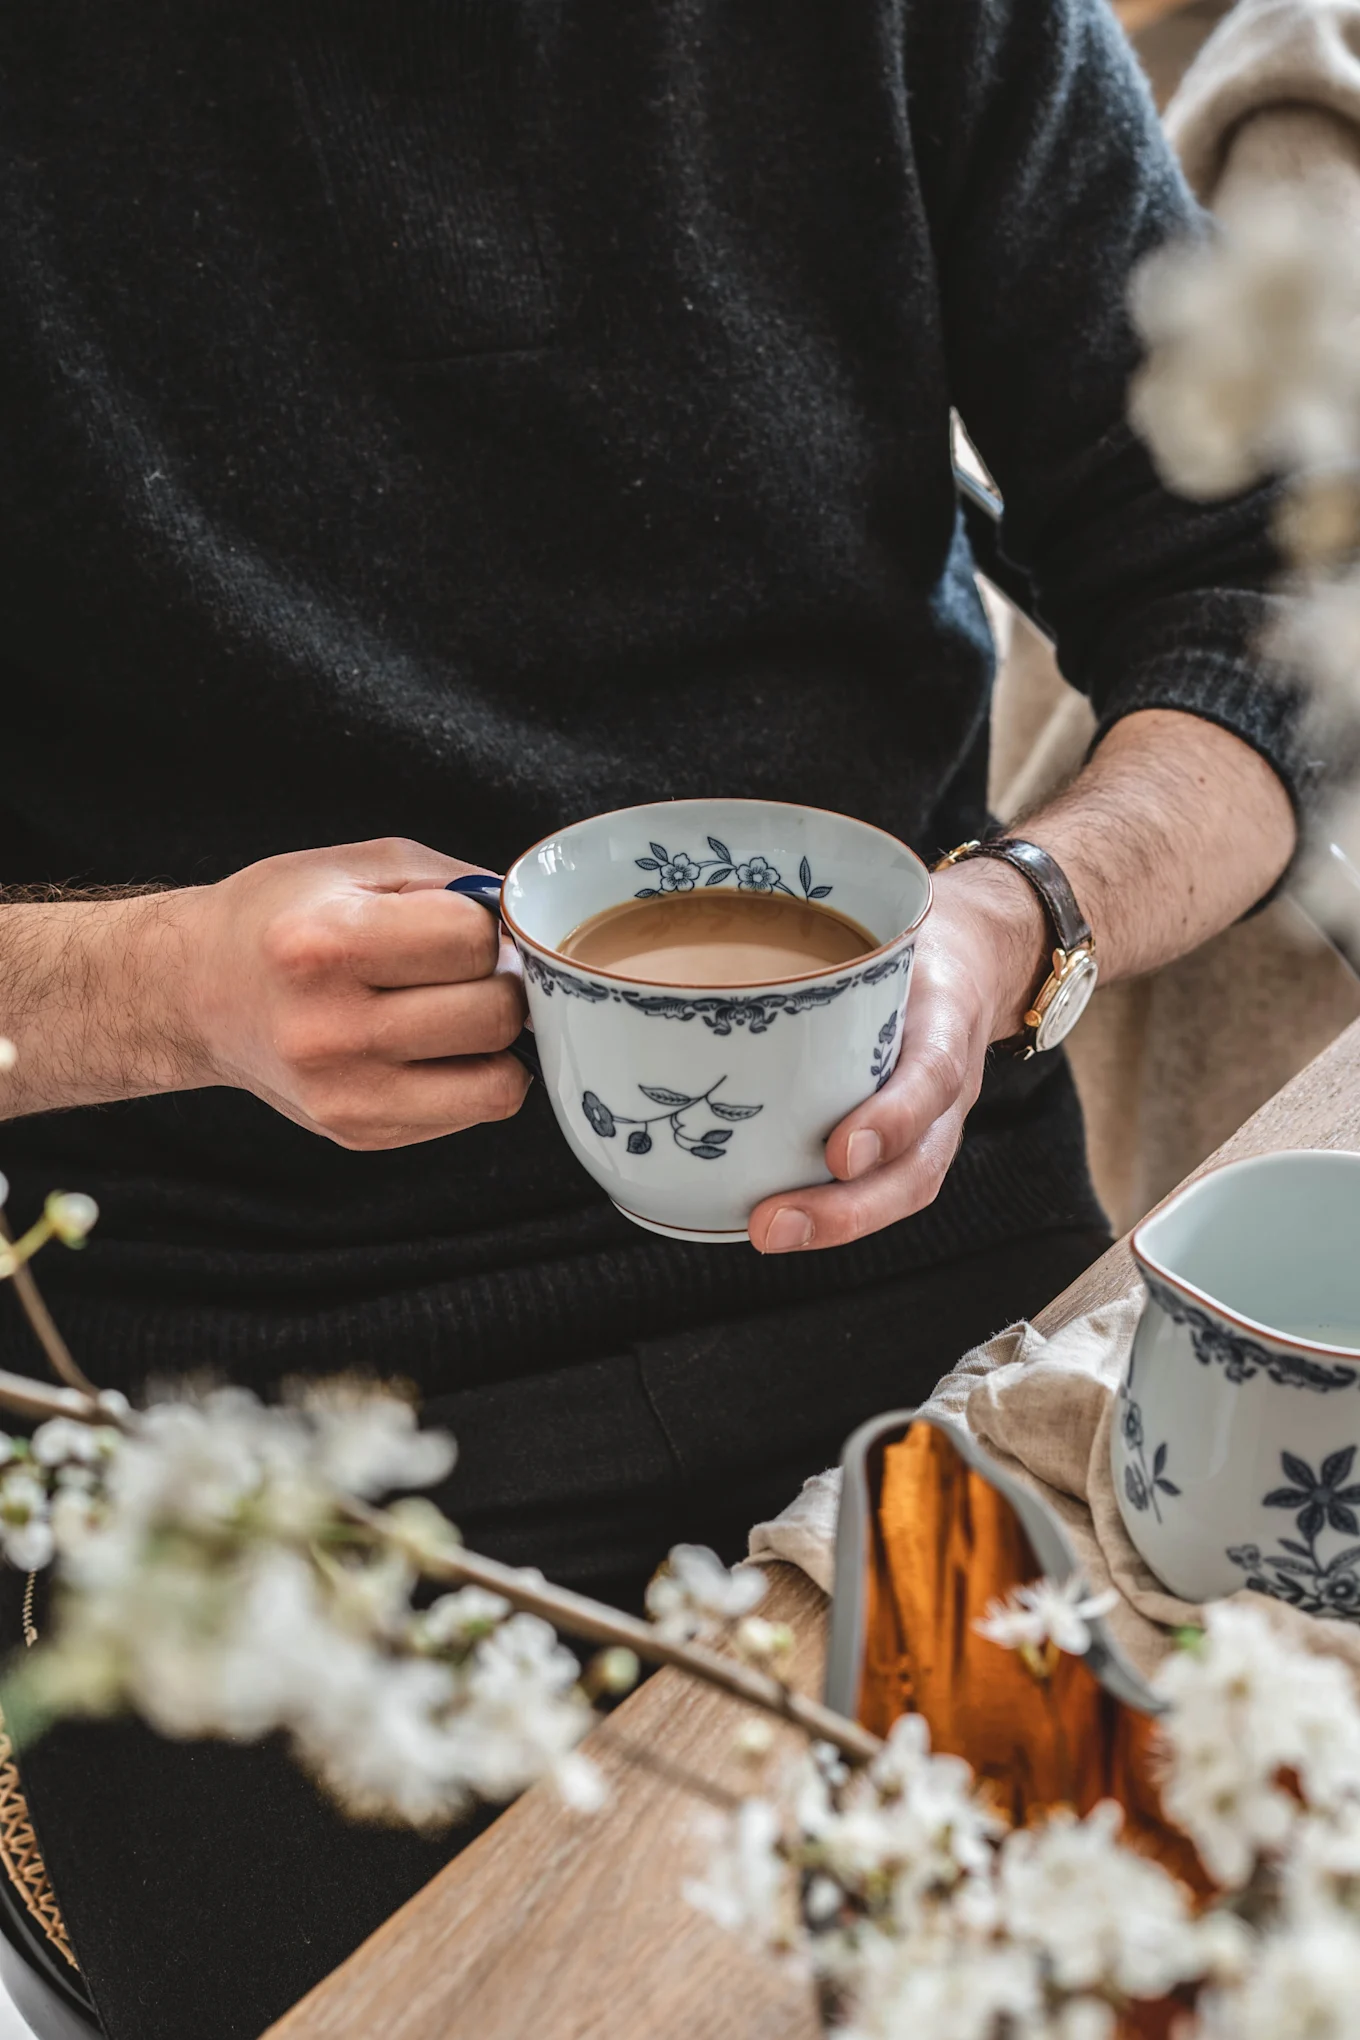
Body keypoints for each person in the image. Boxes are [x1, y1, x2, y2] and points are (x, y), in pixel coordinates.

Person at [0, 1, 1303, 2034]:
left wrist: (1012, 926)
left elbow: (1261, 615)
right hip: (238, 1423)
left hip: (936, 1293)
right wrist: (160, 988)